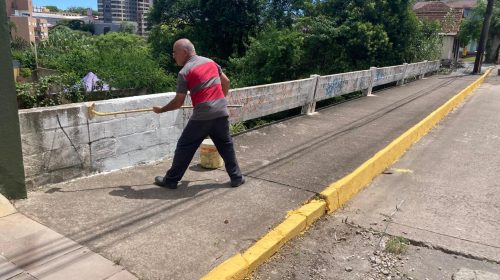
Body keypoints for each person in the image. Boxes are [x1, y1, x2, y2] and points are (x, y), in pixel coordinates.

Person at [152, 38, 245, 189]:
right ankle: (236, 177)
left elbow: (178, 102)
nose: (173, 56)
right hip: (221, 111)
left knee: (185, 146)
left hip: (203, 116)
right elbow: (226, 82)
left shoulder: (185, 72)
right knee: (225, 144)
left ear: (184, 52)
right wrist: (219, 101)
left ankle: (171, 180)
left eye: (175, 53)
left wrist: (161, 110)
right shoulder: (210, 62)